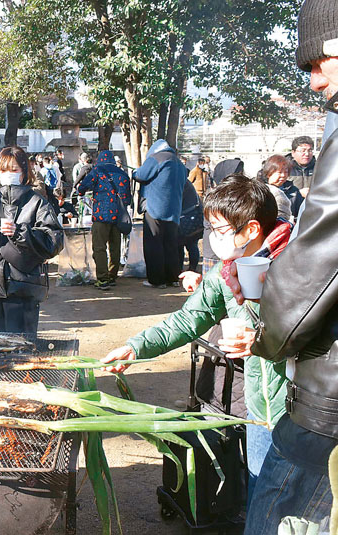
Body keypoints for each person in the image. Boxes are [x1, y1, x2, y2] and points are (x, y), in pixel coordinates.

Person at [102, 174, 291, 503]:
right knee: (262, 499)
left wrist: (263, 341)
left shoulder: (299, 265)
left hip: (301, 416)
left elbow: (319, 338)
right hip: (260, 412)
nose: (212, 239)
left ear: (251, 229)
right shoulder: (228, 269)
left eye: (218, 230)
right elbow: (190, 317)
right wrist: (137, 347)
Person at [221, 3, 338, 530]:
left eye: (320, 62)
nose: (315, 82)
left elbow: (320, 257)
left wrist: (265, 335)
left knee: (275, 502)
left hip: (327, 387)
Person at [0, 146, 63, 334]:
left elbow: (54, 240)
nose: (9, 174)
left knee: (22, 350)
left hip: (23, 289)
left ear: (24, 173)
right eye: (4, 170)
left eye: (15, 170)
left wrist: (21, 232)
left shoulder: (37, 203)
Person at [133, 139, 187, 289]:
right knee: (171, 245)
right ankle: (172, 278)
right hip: (174, 210)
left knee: (154, 244)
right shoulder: (179, 163)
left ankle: (157, 280)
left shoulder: (156, 159)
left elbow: (141, 176)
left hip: (155, 208)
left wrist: (135, 172)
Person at [76, 150, 131, 290]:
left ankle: (103, 279)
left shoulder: (97, 171)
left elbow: (82, 188)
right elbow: (128, 199)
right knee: (115, 247)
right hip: (119, 216)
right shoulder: (123, 174)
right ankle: (112, 276)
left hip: (101, 215)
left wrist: (82, 191)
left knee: (99, 247)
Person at [261, 155, 304, 220]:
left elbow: (302, 213)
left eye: (286, 172)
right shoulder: (260, 190)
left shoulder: (293, 191)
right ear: (269, 173)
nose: (283, 175)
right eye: (279, 172)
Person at [177, 180, 203, 273]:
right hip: (193, 217)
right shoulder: (186, 183)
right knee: (191, 245)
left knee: (183, 245)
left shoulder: (181, 183)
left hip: (187, 218)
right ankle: (192, 267)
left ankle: (182, 268)